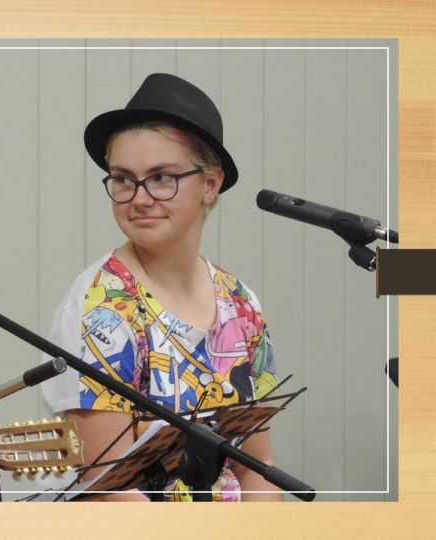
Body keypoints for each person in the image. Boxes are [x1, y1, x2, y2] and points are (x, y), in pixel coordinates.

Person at [40, 73, 281, 502]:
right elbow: (112, 495)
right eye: (123, 179)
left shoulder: (239, 303)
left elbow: (258, 471)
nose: (140, 197)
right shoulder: (102, 307)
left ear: (210, 184)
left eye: (161, 178)